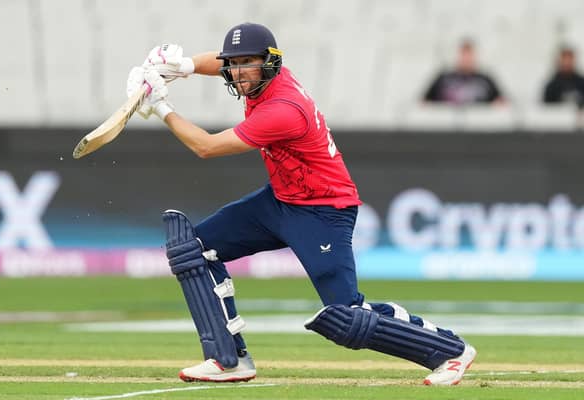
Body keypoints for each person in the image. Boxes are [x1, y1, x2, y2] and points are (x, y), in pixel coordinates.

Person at [127, 22, 476, 385]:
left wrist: (160, 105)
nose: (239, 72)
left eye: (249, 63)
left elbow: (207, 147)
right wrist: (181, 67)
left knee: (346, 317)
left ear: (270, 64)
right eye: (235, 64)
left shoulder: (283, 109)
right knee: (192, 251)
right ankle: (227, 358)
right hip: (280, 199)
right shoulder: (259, 75)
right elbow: (224, 62)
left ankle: (449, 350)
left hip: (324, 210)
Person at [423, 39, 504, 105]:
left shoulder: (486, 79)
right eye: (463, 55)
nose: (466, 59)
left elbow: (501, 102)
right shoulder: (443, 78)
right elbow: (425, 102)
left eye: (469, 55)